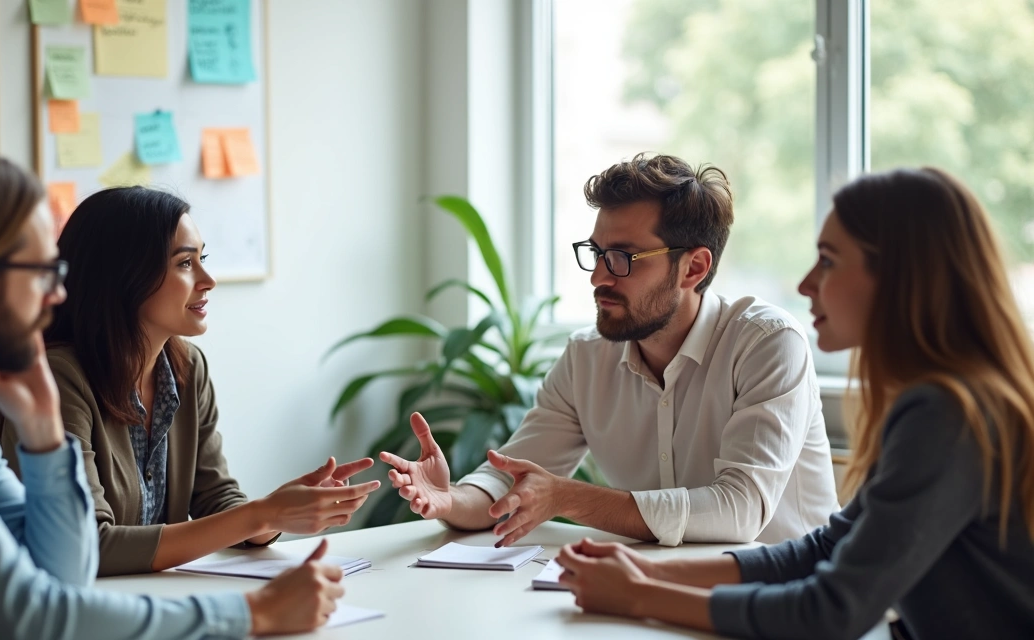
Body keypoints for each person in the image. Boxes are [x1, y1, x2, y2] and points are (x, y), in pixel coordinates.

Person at [0, 151, 355, 638]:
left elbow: (64, 571)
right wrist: (252, 614)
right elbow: (29, 614)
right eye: (42, 273)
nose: (56, 294)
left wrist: (46, 434)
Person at [554, 167, 1034, 639]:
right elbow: (823, 549)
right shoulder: (942, 399)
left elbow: (831, 610)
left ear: (897, 275)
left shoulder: (948, 415)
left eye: (827, 260)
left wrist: (638, 595)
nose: (806, 284)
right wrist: (645, 570)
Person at [383, 153, 838, 547]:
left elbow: (739, 512)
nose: (598, 277)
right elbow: (510, 481)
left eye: (622, 258)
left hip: (791, 605)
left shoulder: (767, 343)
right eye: (595, 253)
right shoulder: (587, 357)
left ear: (693, 268)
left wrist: (567, 497)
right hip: (654, 594)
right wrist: (450, 500)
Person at [0, 187, 379, 576]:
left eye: (203, 258)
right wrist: (261, 514)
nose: (208, 280)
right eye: (184, 263)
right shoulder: (58, 379)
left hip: (156, 600)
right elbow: (91, 545)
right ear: (125, 276)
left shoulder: (187, 368)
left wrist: (278, 514)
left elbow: (215, 497)